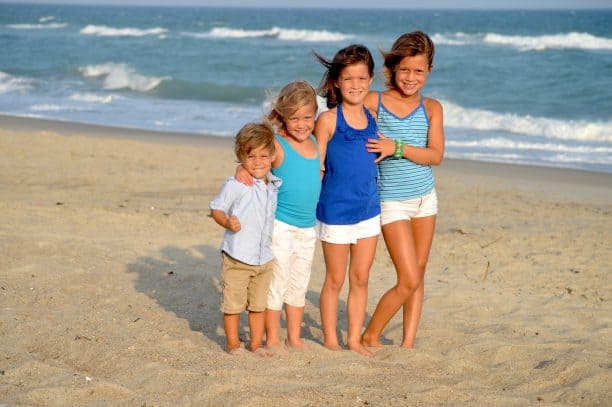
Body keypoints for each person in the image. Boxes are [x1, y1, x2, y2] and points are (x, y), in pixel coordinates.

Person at [361, 30, 445, 349]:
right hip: (391, 200)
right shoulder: (374, 101)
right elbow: (342, 123)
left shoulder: (433, 108)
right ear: (393, 68)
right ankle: (370, 335)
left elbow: (435, 155)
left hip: (426, 199)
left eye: (419, 70)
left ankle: (407, 343)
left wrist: (395, 146)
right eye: (405, 69)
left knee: (419, 273)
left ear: (429, 71)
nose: (411, 77)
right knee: (408, 277)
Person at [235, 80, 321, 351]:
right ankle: (273, 337)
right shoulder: (279, 145)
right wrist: (242, 169)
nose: (302, 124)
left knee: (299, 284)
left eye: (307, 117)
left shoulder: (316, 141)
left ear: (315, 116)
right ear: (283, 116)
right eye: (294, 118)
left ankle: (293, 337)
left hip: (308, 228)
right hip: (282, 226)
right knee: (277, 283)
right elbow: (256, 160)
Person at [313, 44, 380, 356]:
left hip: (368, 210)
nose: (356, 85)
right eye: (349, 78)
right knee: (336, 279)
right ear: (336, 82)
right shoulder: (328, 120)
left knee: (361, 278)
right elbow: (315, 166)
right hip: (335, 212)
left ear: (371, 79)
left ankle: (354, 339)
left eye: (362, 78)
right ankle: (330, 339)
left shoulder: (373, 116)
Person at [209, 122, 281, 356]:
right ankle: (233, 345)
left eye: (263, 155)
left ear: (272, 156)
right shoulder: (236, 184)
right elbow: (216, 209)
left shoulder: (272, 182)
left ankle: (256, 344)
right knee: (233, 305)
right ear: (241, 157)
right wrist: (227, 222)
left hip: (264, 259)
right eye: (251, 157)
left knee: (258, 306)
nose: (258, 161)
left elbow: (277, 153)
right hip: (238, 257)